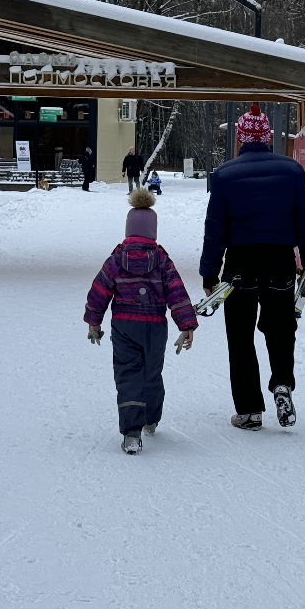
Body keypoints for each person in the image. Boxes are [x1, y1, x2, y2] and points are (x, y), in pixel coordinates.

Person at [200, 104, 305, 431]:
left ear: (241, 139)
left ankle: (249, 410)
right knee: (281, 329)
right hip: (280, 261)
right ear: (268, 138)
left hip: (240, 265)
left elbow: (215, 232)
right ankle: (282, 384)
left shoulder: (224, 176)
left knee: (240, 336)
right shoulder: (292, 171)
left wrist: (209, 274)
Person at [84, 188, 199, 454]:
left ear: (128, 230)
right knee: (151, 373)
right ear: (153, 232)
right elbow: (177, 292)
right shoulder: (162, 260)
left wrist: (94, 321)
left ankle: (131, 433)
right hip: (154, 328)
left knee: (127, 375)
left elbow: (99, 291)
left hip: (124, 327)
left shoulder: (115, 259)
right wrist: (186, 325)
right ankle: (151, 418)